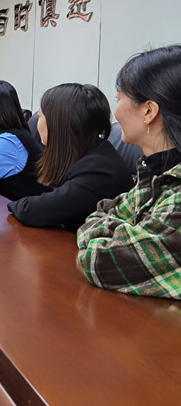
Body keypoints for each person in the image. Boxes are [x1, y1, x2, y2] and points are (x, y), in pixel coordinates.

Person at [77, 45, 181, 299]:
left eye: (119, 98)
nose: (116, 111)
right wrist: (120, 230)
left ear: (148, 111)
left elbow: (99, 261)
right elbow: (100, 212)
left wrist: (112, 231)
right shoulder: (154, 173)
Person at [8, 84, 134, 230]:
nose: (37, 123)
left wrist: (11, 204)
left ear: (58, 123)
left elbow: (35, 211)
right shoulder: (82, 153)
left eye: (41, 116)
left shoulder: (99, 170)